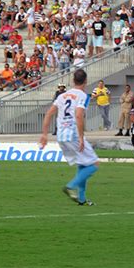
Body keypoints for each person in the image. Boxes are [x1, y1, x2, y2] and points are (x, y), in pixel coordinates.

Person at [40, 69, 99, 206]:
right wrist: (81, 136)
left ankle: (82, 198)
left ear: (73, 81)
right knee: (94, 164)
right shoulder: (82, 96)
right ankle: (70, 186)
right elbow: (79, 115)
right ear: (85, 81)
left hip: (61, 135)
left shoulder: (62, 96)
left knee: (82, 163)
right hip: (72, 133)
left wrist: (44, 134)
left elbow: (48, 114)